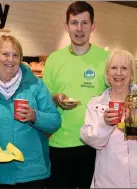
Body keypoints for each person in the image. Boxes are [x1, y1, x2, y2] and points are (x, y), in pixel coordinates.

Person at [0, 35, 61, 188]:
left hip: (32, 172)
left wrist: (35, 116)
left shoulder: (35, 85)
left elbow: (54, 121)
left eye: (16, 55)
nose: (11, 59)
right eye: (5, 54)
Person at [43, 1, 109, 188]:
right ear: (66, 26)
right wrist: (56, 99)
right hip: (59, 143)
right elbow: (44, 101)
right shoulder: (54, 60)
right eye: (74, 23)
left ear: (92, 26)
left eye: (84, 23)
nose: (79, 29)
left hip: (95, 144)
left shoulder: (105, 59)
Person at [80, 49, 137, 188]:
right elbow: (88, 138)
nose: (119, 73)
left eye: (124, 68)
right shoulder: (96, 103)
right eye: (114, 68)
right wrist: (105, 124)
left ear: (132, 73)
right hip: (107, 180)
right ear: (107, 73)